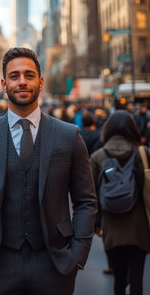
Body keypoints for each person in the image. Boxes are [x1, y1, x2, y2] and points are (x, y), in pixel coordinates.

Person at [0, 47, 97, 295]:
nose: (22, 82)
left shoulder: (68, 136)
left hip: (54, 266)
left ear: (40, 82)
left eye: (29, 75)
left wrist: (77, 255)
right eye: (14, 75)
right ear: (4, 83)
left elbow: (86, 201)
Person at [90, 110, 150, 295]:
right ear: (132, 129)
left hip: (111, 225)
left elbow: (91, 195)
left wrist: (96, 223)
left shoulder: (98, 156)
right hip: (139, 226)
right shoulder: (143, 153)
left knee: (119, 277)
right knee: (137, 277)